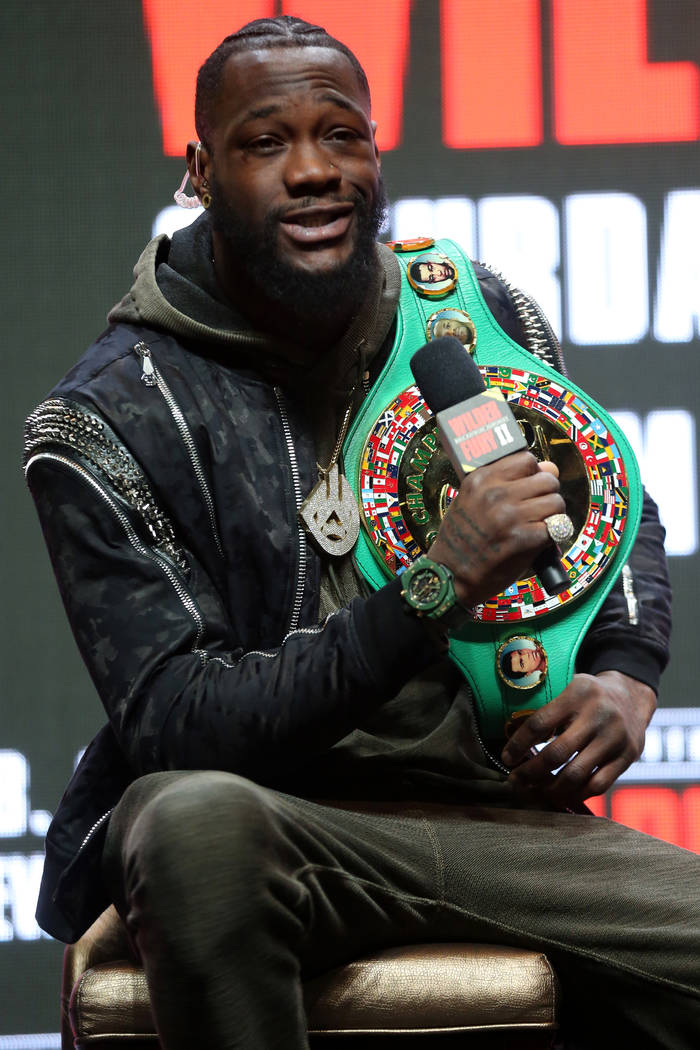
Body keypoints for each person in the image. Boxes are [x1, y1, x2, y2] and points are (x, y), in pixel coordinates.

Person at [24, 15, 698, 1050]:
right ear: (199, 171)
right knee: (188, 816)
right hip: (277, 824)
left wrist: (622, 669)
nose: (313, 172)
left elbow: (607, 498)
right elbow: (177, 723)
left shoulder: (468, 318)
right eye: (265, 143)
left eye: (341, 135)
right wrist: (435, 588)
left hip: (497, 823)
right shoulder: (109, 416)